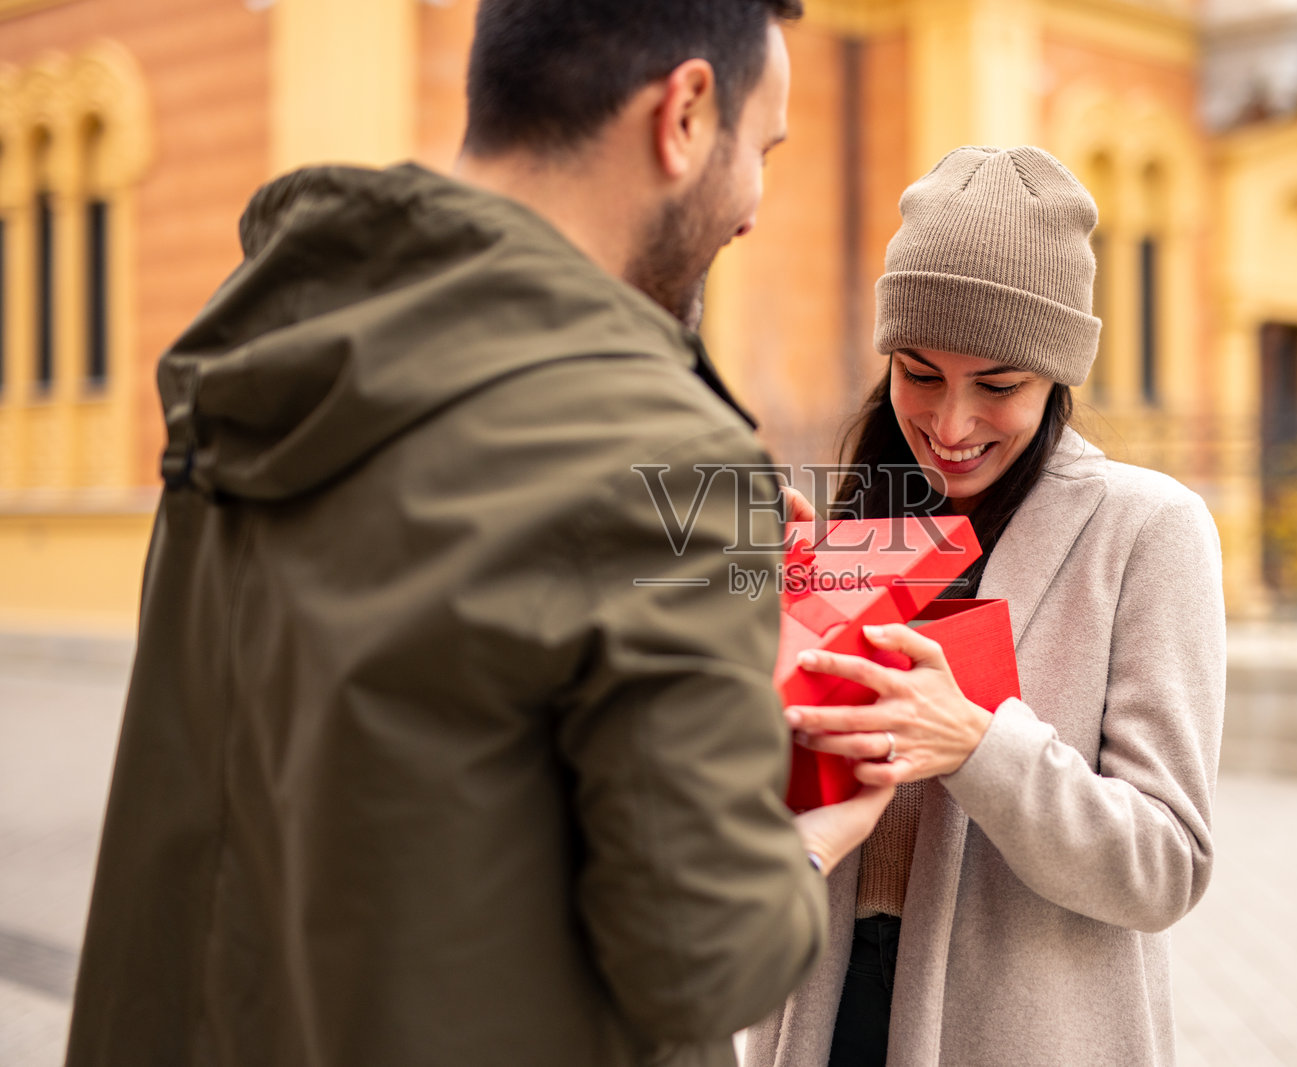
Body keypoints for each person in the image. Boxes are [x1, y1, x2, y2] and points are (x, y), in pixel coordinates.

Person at [64, 3, 892, 1065]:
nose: (751, 210)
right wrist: (828, 834)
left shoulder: (270, 345)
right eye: (760, 149)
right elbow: (706, 949)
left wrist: (719, 566)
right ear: (683, 113)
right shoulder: (665, 452)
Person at [746, 146, 1227, 1066]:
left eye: (998, 385)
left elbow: (1167, 863)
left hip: (1025, 1034)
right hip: (818, 1011)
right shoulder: (859, 516)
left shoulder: (1148, 529)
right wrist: (754, 657)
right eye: (919, 372)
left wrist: (976, 744)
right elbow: (773, 800)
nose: (951, 423)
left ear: (1055, 378)